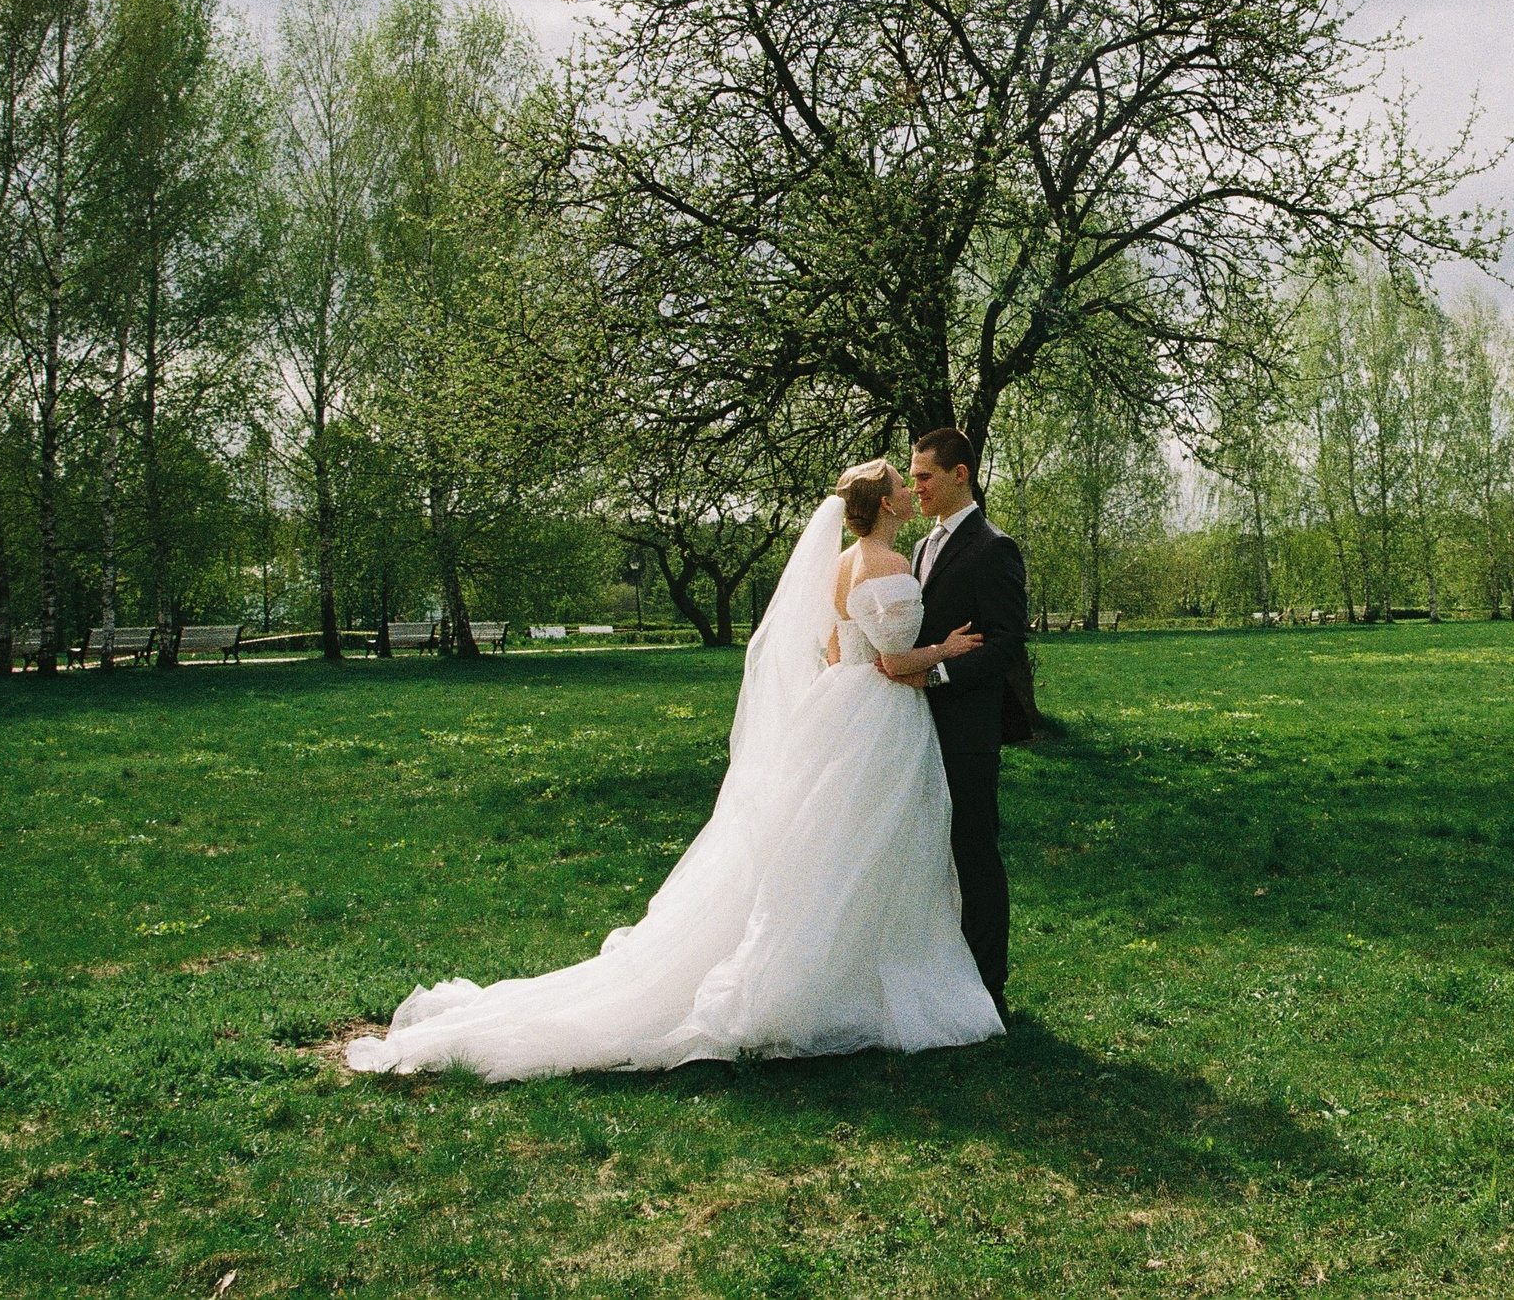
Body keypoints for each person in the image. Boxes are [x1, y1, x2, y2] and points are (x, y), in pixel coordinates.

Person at [346, 460, 1003, 1080]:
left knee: (831, 850)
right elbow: (893, 663)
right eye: (900, 480)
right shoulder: (887, 563)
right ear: (886, 503)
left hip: (838, 705)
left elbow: (834, 645)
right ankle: (864, 974)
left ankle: (849, 968)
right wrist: (944, 648)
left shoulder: (837, 565)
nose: (907, 485)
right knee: (873, 848)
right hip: (879, 716)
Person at [881, 426, 1029, 1019]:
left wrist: (940, 675)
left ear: (959, 474)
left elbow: (1005, 644)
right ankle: (943, 973)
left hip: (968, 732)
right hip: (917, 728)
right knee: (930, 855)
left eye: (924, 477)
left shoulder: (995, 548)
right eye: (912, 478)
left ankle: (988, 990)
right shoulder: (921, 548)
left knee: (974, 854)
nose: (915, 488)